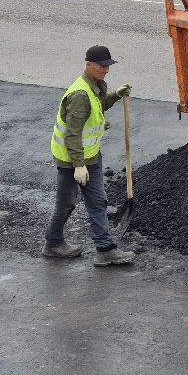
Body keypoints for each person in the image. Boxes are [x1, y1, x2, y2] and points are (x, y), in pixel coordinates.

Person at [43, 45, 135, 266]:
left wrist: (115, 95)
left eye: (108, 66)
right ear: (88, 65)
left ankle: (105, 249)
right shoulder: (80, 95)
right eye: (102, 66)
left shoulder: (94, 87)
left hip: (91, 157)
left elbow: (99, 107)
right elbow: (72, 134)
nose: (106, 70)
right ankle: (53, 242)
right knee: (66, 203)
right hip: (72, 161)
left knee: (97, 202)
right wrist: (78, 165)